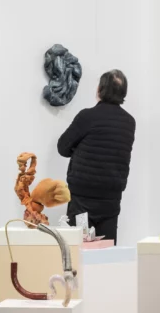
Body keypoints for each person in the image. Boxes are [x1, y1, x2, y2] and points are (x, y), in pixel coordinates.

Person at [57, 70, 136, 243]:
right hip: (111, 200)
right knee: (105, 255)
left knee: (78, 252)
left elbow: (63, 147)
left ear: (100, 89)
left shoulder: (87, 117)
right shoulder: (129, 122)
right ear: (123, 93)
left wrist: (78, 149)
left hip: (82, 200)